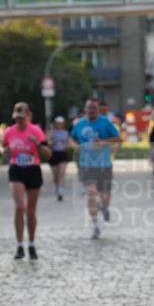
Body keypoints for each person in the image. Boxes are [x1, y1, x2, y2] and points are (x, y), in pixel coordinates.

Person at [1, 102, 51, 259]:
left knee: (30, 211)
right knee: (20, 207)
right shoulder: (9, 132)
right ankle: (19, 245)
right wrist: (5, 152)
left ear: (28, 116)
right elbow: (4, 151)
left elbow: (48, 154)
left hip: (33, 170)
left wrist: (37, 145)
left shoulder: (36, 131)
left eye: (22, 118)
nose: (19, 121)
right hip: (16, 170)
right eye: (17, 118)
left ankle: (31, 244)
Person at [70, 97, 121, 239]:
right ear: (85, 109)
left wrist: (103, 142)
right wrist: (76, 147)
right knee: (91, 192)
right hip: (87, 165)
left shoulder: (105, 123)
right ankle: (95, 225)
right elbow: (72, 139)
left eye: (94, 108)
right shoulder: (79, 124)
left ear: (98, 110)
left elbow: (117, 138)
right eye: (89, 108)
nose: (91, 111)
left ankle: (104, 207)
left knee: (104, 196)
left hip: (104, 164)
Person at [48, 115, 70, 201]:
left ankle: (61, 189)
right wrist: (52, 141)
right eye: (58, 123)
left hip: (62, 154)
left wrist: (66, 146)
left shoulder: (65, 132)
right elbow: (48, 142)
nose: (59, 125)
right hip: (53, 154)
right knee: (55, 174)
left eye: (61, 123)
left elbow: (68, 142)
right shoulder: (52, 132)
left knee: (62, 172)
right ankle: (57, 186)